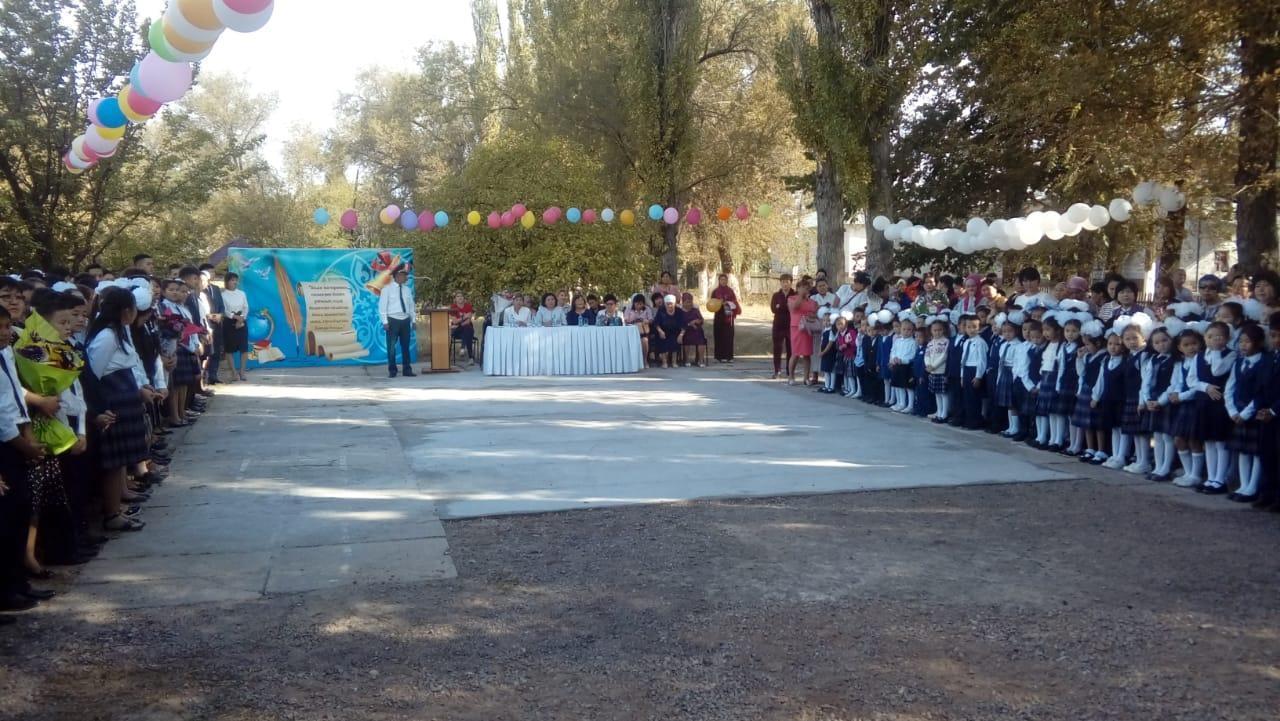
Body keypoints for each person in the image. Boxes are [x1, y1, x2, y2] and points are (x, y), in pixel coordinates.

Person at [1225, 324, 1269, 502]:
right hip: (1238, 411)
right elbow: (1230, 388)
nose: (1243, 345)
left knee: (1255, 452)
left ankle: (1252, 487)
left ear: (1258, 343)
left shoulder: (1264, 362)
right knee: (1243, 451)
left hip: (1254, 412)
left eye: (1248, 341)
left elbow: (1262, 392)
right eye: (1241, 341)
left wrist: (1246, 413)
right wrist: (1232, 410)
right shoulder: (1238, 362)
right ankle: (1243, 485)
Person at [378, 267, 416, 378]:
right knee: (391, 348)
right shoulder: (387, 289)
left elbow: (411, 306)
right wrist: (385, 322)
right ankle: (392, 370)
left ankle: (407, 370)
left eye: (405, 275)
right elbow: (382, 307)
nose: (405, 277)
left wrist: (413, 320)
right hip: (392, 320)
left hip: (405, 320)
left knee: (405, 346)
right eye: (403, 275)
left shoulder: (407, 289)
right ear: (397, 276)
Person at [787, 280, 817, 385]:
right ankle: (791, 377)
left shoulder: (811, 301)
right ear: (798, 288)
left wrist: (812, 315)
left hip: (807, 328)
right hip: (796, 328)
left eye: (807, 288)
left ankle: (806, 378)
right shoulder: (791, 298)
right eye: (803, 287)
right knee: (795, 353)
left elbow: (814, 312)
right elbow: (794, 307)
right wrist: (801, 295)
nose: (805, 289)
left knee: (807, 354)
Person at [220, 273, 250, 381]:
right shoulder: (223, 295)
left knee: (244, 348)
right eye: (232, 280)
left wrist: (241, 318)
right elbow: (224, 310)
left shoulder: (242, 293)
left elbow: (246, 307)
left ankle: (242, 371)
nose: (234, 282)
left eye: (236, 280)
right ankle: (234, 372)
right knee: (229, 349)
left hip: (242, 321)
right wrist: (234, 316)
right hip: (229, 323)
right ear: (227, 281)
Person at [710, 274, 740, 363]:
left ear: (727, 281)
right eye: (722, 279)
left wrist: (728, 303)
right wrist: (719, 303)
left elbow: (735, 302)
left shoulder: (730, 291)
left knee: (729, 336)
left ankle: (729, 356)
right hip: (719, 315)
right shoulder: (715, 291)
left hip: (728, 316)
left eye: (725, 280)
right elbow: (712, 303)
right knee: (719, 336)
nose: (723, 281)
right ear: (719, 281)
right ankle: (719, 356)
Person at [770, 274, 795, 379]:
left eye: (787, 282)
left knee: (791, 349)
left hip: (791, 325)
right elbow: (773, 309)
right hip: (778, 325)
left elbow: (793, 309)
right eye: (783, 282)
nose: (785, 284)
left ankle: (790, 371)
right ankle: (777, 371)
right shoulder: (776, 295)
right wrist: (783, 307)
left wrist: (780, 306)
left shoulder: (795, 295)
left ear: (791, 283)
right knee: (777, 348)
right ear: (780, 283)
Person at [677, 293, 707, 367]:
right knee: (687, 339)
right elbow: (680, 323)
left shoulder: (695, 310)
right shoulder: (680, 311)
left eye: (690, 302)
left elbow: (701, 320)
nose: (689, 304)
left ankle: (700, 360)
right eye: (687, 302)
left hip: (696, 330)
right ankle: (687, 360)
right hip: (685, 331)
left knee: (701, 340)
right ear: (683, 302)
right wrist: (690, 324)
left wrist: (697, 321)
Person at [651, 295, 682, 368]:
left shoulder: (679, 311)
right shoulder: (661, 310)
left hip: (675, 332)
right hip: (663, 331)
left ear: (674, 303)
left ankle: (674, 362)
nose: (669, 305)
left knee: (675, 339)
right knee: (662, 340)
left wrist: (681, 335)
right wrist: (660, 331)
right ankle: (664, 362)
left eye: (671, 304)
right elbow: (656, 323)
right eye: (667, 304)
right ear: (665, 304)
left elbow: (683, 324)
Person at [448, 292, 476, 364]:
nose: (460, 297)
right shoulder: (453, 307)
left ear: (464, 298)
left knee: (467, 329)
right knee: (467, 330)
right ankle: (470, 357)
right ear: (455, 299)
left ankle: (463, 348)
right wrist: (464, 317)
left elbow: (468, 321)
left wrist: (459, 322)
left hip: (465, 328)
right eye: (458, 296)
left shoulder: (468, 306)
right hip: (457, 331)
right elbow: (454, 321)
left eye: (461, 296)